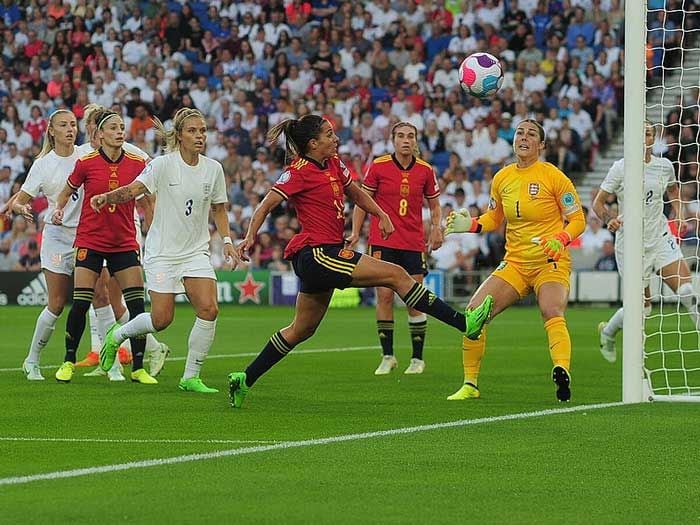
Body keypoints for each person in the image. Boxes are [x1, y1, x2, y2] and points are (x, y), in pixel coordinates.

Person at [226, 115, 494, 408]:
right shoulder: (298, 171)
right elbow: (266, 205)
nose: (335, 138)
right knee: (396, 274)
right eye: (329, 135)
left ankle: (244, 378)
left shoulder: (334, 164)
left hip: (324, 255)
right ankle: (464, 323)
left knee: (302, 329)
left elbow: (355, 193)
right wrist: (250, 236)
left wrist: (381, 214)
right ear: (313, 144)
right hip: (317, 254)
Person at [92, 108, 237, 393]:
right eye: (193, 131)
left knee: (209, 309)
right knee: (161, 320)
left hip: (196, 252)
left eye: (203, 131)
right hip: (162, 253)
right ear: (180, 135)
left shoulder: (213, 168)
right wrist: (106, 196)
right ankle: (117, 334)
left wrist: (228, 241)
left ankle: (190, 377)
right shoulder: (162, 165)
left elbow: (219, 208)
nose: (200, 136)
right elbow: (134, 190)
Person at [444, 119, 585, 402]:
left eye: (531, 134)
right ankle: (470, 384)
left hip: (549, 260)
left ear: (541, 145)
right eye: (520, 132)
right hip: (516, 263)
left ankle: (561, 371)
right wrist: (468, 225)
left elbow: (578, 219)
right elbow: (494, 218)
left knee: (551, 310)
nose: (524, 137)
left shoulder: (554, 176)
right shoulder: (502, 178)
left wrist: (561, 238)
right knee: (474, 314)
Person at [51, 109, 156, 384]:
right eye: (113, 128)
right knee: (81, 303)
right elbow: (65, 191)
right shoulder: (86, 163)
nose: (120, 131)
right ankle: (68, 362)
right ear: (99, 135)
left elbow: (148, 198)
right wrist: (59, 209)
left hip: (123, 242)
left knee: (137, 306)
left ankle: (138, 368)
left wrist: (152, 225)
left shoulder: (137, 163)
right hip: (90, 240)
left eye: (122, 127)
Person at [74, 103, 170, 379]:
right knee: (99, 295)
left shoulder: (135, 154)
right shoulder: (84, 154)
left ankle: (146, 348)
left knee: (113, 298)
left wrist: (152, 226)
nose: (92, 127)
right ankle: (110, 357)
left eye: (97, 121)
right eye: (90, 122)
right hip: (93, 233)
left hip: (124, 233)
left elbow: (150, 192)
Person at [592, 120, 700, 363]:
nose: (644, 137)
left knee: (686, 290)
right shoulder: (621, 168)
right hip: (630, 243)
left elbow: (672, 191)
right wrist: (610, 219)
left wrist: (680, 214)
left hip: (660, 236)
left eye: (649, 133)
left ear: (653, 139)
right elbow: (599, 203)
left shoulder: (664, 166)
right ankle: (608, 333)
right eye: (640, 133)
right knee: (643, 309)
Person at [347, 121, 443, 376]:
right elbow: (361, 201)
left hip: (412, 242)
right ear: (393, 140)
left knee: (414, 300)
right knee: (384, 297)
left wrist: (436, 228)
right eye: (401, 136)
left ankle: (417, 358)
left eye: (410, 136)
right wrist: (356, 232)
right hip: (382, 240)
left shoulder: (425, 170)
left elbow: (434, 205)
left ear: (415, 141)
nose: (406, 140)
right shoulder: (378, 166)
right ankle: (387, 356)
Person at [11, 109, 80, 380]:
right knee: (57, 303)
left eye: (73, 124)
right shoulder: (43, 164)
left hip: (87, 236)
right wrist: (21, 208)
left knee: (101, 295)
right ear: (51, 131)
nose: (70, 129)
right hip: (57, 237)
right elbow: (21, 199)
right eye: (63, 125)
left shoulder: (85, 155)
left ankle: (110, 362)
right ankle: (32, 359)